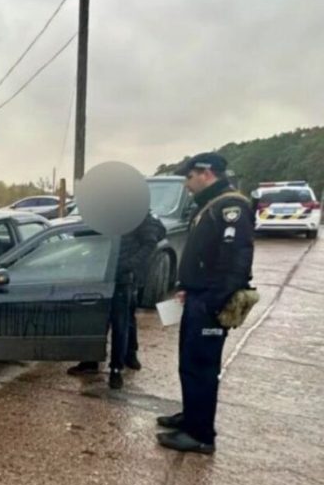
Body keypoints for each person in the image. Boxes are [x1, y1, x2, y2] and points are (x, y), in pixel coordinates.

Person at [157, 152, 254, 454]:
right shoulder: (212, 205)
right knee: (189, 363)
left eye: (189, 177)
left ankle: (200, 435)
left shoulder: (231, 207)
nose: (186, 184)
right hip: (198, 297)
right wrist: (188, 287)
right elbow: (205, 258)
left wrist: (212, 304)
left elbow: (233, 265)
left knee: (202, 367)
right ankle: (191, 417)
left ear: (206, 173)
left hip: (210, 304)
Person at [67, 211, 165, 389]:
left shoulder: (137, 212)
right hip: (98, 274)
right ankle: (90, 361)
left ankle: (117, 368)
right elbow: (82, 235)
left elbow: (150, 242)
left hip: (123, 278)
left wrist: (128, 265)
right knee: (95, 321)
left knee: (122, 324)